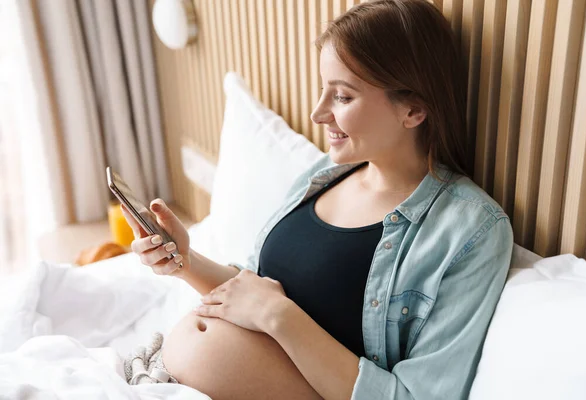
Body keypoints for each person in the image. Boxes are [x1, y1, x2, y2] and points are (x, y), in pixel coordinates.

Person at [122, 0, 513, 398]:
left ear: (413, 108)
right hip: (155, 375)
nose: (317, 114)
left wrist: (280, 317)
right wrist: (184, 261)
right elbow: (253, 290)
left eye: (342, 97)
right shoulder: (325, 175)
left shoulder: (469, 231)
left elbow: (416, 395)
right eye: (322, 90)